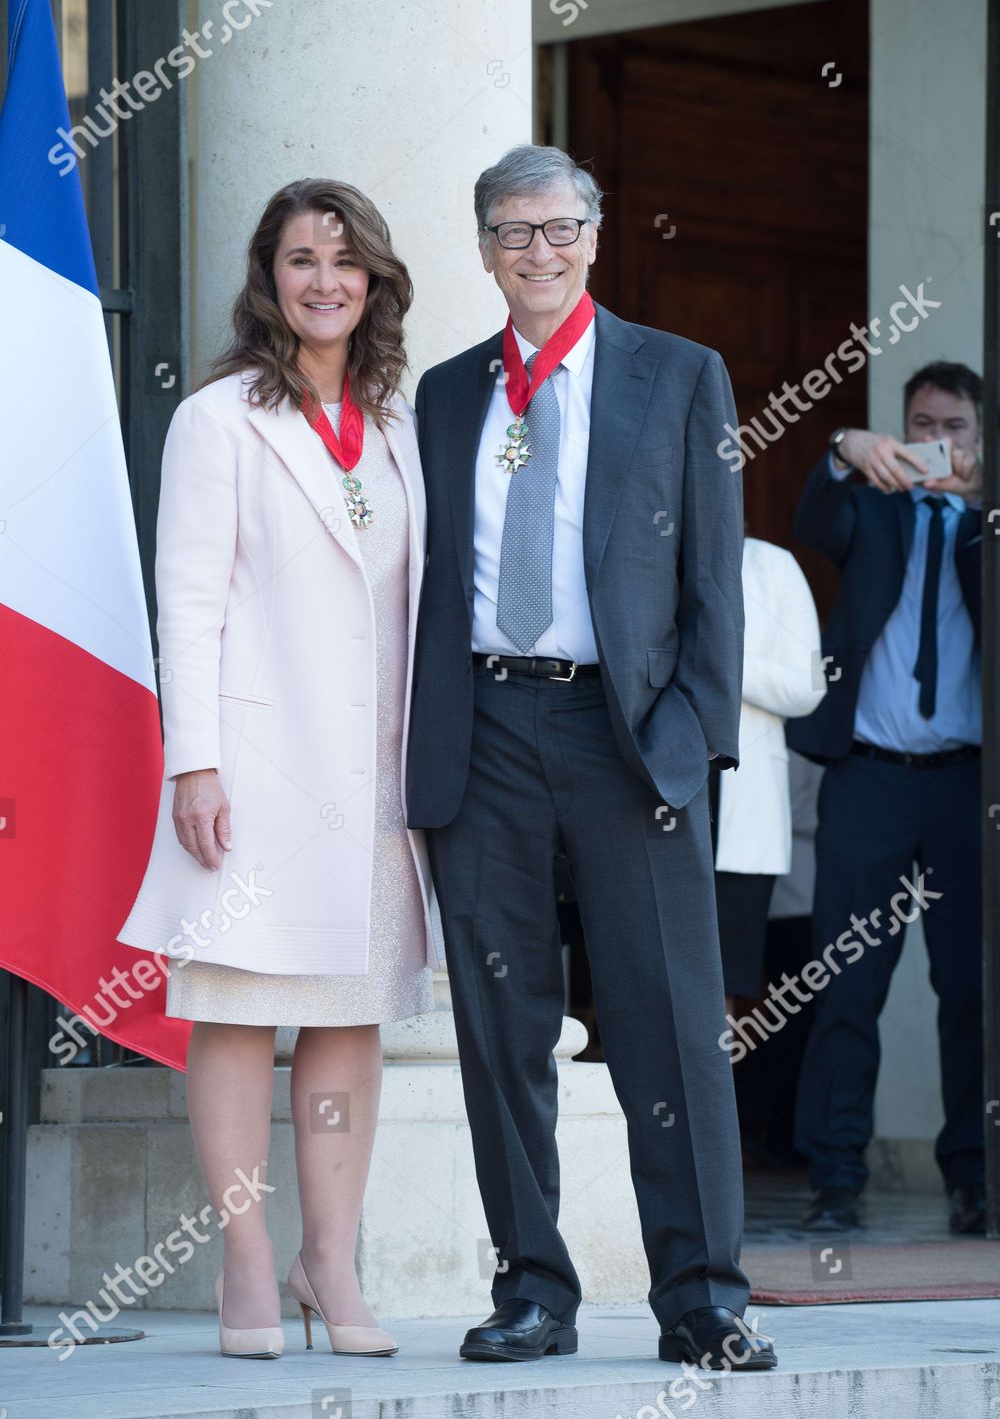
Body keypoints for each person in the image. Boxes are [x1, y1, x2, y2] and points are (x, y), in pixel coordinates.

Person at [405, 144, 776, 1372]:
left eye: (559, 227)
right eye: (514, 231)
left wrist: (686, 742)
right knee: (501, 1027)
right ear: (484, 250)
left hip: (627, 736)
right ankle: (533, 1290)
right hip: (482, 735)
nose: (539, 250)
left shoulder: (679, 374)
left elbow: (714, 579)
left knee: (669, 1020)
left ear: (595, 238)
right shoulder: (445, 395)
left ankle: (703, 1298)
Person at [118, 179, 442, 1356]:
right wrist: (194, 765)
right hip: (257, 768)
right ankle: (248, 1263)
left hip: (377, 775)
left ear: (374, 281)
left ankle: (328, 1262)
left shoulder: (401, 422)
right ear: (268, 277)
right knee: (239, 1010)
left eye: (346, 262)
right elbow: (188, 601)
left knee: (350, 1015)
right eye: (302, 259)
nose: (325, 281)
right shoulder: (217, 420)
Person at [786, 362, 984, 1234]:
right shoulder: (872, 506)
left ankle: (976, 1177)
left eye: (954, 427)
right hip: (869, 778)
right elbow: (811, 520)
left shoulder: (986, 524)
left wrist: (980, 506)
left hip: (968, 789)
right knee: (847, 982)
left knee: (971, 989)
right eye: (921, 425)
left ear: (980, 439)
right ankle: (835, 1179)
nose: (935, 441)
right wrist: (843, 448)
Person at [710, 536, 824, 1003]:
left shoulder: (772, 565)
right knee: (639, 979)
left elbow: (810, 686)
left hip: (742, 805)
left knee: (724, 983)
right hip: (648, 792)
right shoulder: (642, 551)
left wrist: (722, 659)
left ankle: (717, 1060)